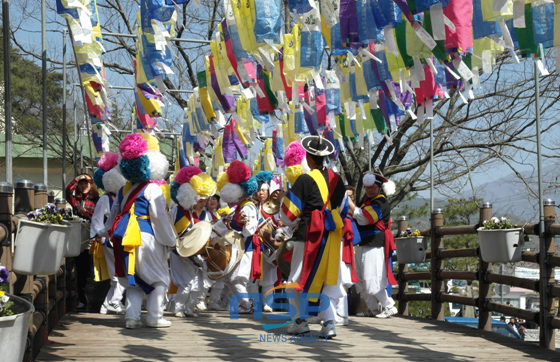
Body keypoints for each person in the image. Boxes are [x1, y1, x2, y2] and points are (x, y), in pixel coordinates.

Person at [277, 135, 348, 339]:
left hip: (309, 233)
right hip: (332, 235)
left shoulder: (305, 180)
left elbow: (289, 214)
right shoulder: (337, 180)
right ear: (325, 157)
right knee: (329, 279)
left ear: (308, 157)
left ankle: (300, 321)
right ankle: (329, 323)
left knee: (297, 278)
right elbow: (342, 211)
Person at [103, 132, 176, 329]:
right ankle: (154, 316)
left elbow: (112, 216)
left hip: (124, 237)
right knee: (159, 278)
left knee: (134, 280)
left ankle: (132, 317)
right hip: (147, 237)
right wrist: (170, 240)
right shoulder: (153, 189)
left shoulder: (123, 190)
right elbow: (159, 218)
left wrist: (104, 232)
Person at [168, 166, 216, 318]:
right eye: (200, 200)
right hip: (179, 253)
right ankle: (177, 308)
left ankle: (189, 308)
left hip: (198, 256)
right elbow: (167, 230)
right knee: (186, 283)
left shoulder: (205, 215)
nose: (203, 203)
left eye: (205, 199)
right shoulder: (175, 212)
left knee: (198, 285)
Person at [348, 172, 398, 319]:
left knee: (371, 279)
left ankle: (389, 306)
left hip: (374, 244)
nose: (369, 189)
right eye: (367, 187)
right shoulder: (368, 201)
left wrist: (350, 204)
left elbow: (365, 219)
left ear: (379, 187)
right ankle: (373, 309)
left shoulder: (380, 202)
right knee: (359, 278)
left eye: (372, 187)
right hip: (363, 243)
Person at [213, 161, 260, 314]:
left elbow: (249, 231)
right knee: (230, 278)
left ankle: (247, 305)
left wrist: (244, 223)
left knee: (236, 279)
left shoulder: (248, 207)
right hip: (237, 247)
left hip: (244, 248)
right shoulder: (239, 207)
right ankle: (245, 304)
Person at [91, 152, 127, 315]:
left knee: (120, 272)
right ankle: (114, 301)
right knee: (120, 273)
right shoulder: (105, 199)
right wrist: (98, 236)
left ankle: (107, 304)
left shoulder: (120, 198)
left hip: (119, 239)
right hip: (108, 240)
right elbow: (97, 219)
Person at [66, 172, 100, 310]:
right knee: (81, 271)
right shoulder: (75, 200)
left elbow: (99, 218)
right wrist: (77, 178)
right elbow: (67, 192)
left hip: (94, 239)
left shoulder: (97, 200)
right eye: (81, 183)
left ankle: (95, 300)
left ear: (91, 184)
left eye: (87, 182)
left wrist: (84, 212)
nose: (84, 185)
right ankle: (82, 300)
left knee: (93, 271)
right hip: (80, 240)